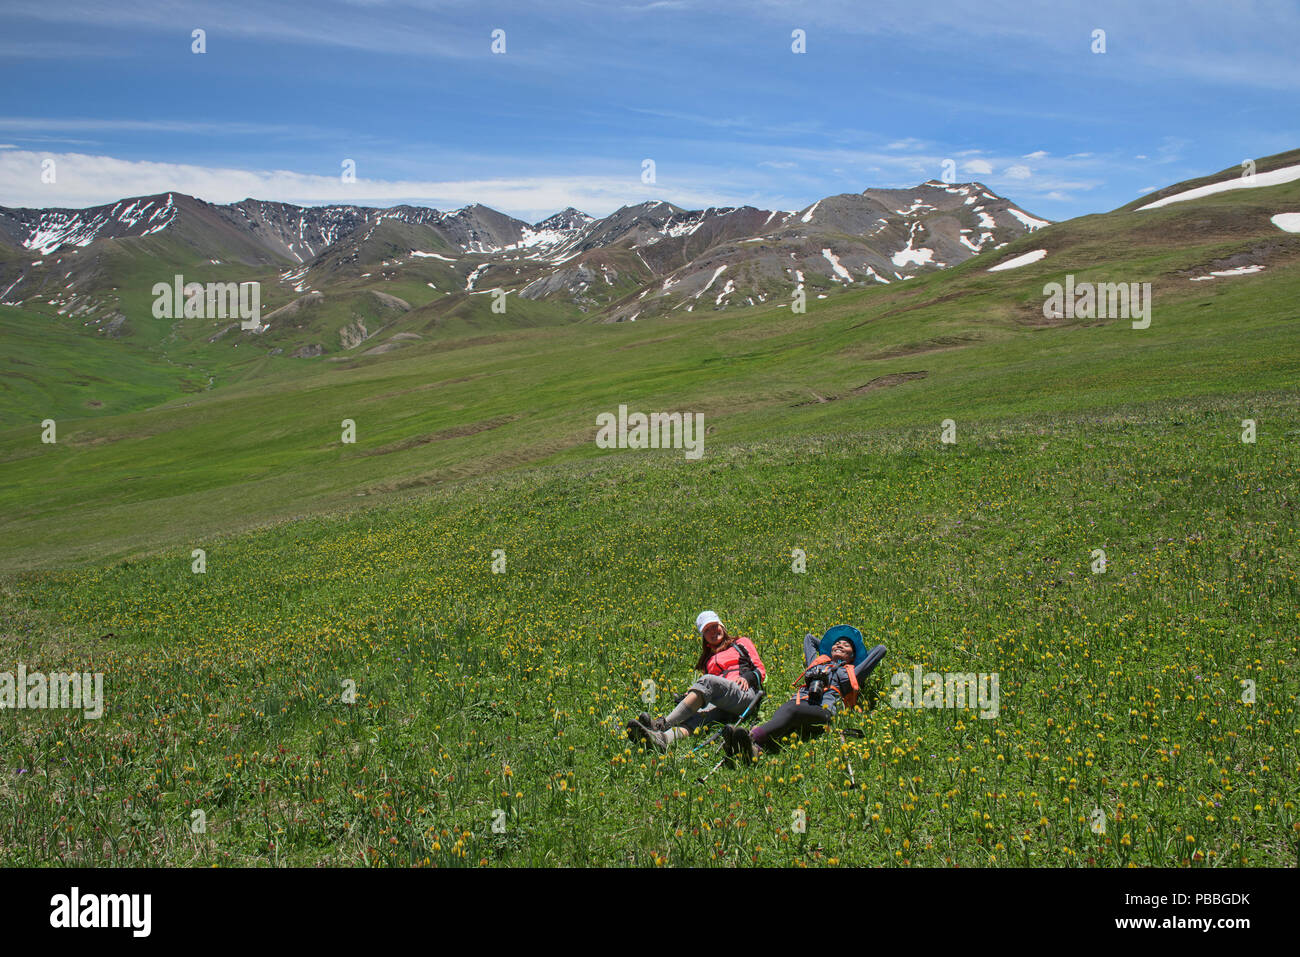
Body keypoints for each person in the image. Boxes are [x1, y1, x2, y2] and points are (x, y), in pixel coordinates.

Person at [722, 625, 885, 763]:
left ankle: (751, 737)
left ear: (852, 655)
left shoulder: (850, 674)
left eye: (846, 645)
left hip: (824, 711)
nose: (840, 645)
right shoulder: (816, 663)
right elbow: (809, 638)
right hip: (797, 705)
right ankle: (752, 749)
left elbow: (880, 650)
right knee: (786, 716)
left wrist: (857, 656)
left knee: (792, 711)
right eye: (837, 643)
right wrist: (828, 650)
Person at [626, 611, 766, 751]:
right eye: (707, 630)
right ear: (703, 636)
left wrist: (747, 677)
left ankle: (661, 724)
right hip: (722, 704)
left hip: (743, 694)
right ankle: (661, 739)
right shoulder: (708, 660)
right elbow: (707, 689)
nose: (712, 631)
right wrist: (688, 696)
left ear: (722, 626)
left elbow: (760, 669)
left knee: (707, 681)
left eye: (714, 626)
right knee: (696, 717)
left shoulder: (740, 643)